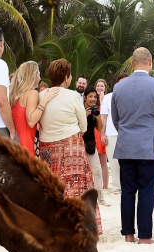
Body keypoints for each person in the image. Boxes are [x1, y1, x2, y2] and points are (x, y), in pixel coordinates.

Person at [111, 47, 154, 244]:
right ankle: (144, 236)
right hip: (148, 146)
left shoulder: (118, 87)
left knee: (127, 190)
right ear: (151, 62)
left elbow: (116, 119)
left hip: (126, 145)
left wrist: (126, 133)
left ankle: (128, 234)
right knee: (146, 191)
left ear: (132, 64)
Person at [38, 58, 101, 234]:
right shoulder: (73, 95)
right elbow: (83, 124)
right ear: (66, 77)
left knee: (51, 186)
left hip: (47, 145)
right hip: (70, 144)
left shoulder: (42, 95)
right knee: (77, 185)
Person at [9, 61, 59, 156]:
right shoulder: (32, 93)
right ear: (33, 76)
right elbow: (31, 121)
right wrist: (44, 100)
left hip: (14, 143)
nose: (40, 78)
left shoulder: (14, 95)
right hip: (27, 144)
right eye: (38, 74)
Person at [100, 73, 128, 194]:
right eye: (121, 81)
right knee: (113, 161)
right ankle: (117, 187)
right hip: (111, 133)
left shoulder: (132, 96)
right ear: (116, 83)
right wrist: (102, 134)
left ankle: (128, 185)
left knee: (128, 161)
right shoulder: (108, 97)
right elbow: (103, 117)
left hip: (128, 133)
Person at [82, 86, 108, 206]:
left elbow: (99, 128)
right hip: (79, 143)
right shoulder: (79, 108)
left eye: (95, 97)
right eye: (90, 96)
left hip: (91, 144)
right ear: (85, 97)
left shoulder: (95, 110)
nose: (93, 99)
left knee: (97, 170)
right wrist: (84, 114)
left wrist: (97, 117)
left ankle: (100, 197)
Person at [94, 78, 109, 190]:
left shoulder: (107, 100)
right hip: (93, 131)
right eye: (98, 86)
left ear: (105, 88)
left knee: (103, 161)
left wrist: (102, 98)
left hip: (102, 131)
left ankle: (105, 186)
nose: (100, 88)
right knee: (94, 161)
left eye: (102, 86)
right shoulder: (92, 100)